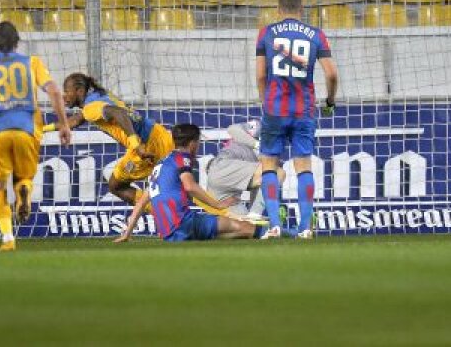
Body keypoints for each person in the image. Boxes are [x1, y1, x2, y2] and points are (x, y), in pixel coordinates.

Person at [0, 21, 72, 251]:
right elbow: (55, 91)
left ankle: (8, 239)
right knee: (24, 177)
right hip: (27, 130)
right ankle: (23, 190)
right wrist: (64, 125)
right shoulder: (32, 63)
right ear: (17, 41)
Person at [255, 0, 339, 239]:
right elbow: (332, 74)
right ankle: (305, 228)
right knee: (304, 167)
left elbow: (260, 75)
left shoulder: (266, 33)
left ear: (278, 9)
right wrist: (330, 101)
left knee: (269, 165)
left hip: (275, 109)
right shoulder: (317, 34)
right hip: (304, 110)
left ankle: (274, 225)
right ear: (301, 9)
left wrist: (266, 101)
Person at [116, 124, 265, 243]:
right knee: (248, 228)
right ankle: (272, 232)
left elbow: (142, 202)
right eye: (198, 142)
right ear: (193, 143)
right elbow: (190, 186)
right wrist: (218, 205)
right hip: (183, 223)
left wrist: (127, 233)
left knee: (233, 231)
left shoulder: (160, 165)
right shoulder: (182, 158)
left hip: (168, 233)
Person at [61, 73, 174, 207]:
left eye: (67, 91)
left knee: (116, 186)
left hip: (144, 145)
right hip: (159, 133)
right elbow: (76, 120)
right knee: (180, 183)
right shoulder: (98, 96)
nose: (64, 96)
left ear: (79, 91)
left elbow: (119, 113)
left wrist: (135, 145)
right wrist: (43, 128)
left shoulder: (90, 108)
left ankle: (161, 213)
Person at [204, 120, 284, 223]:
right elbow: (232, 129)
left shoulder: (269, 153)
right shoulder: (259, 126)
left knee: (247, 226)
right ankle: (255, 214)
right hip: (223, 167)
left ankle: (254, 215)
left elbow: (258, 185)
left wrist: (253, 210)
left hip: (223, 189)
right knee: (278, 173)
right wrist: (257, 145)